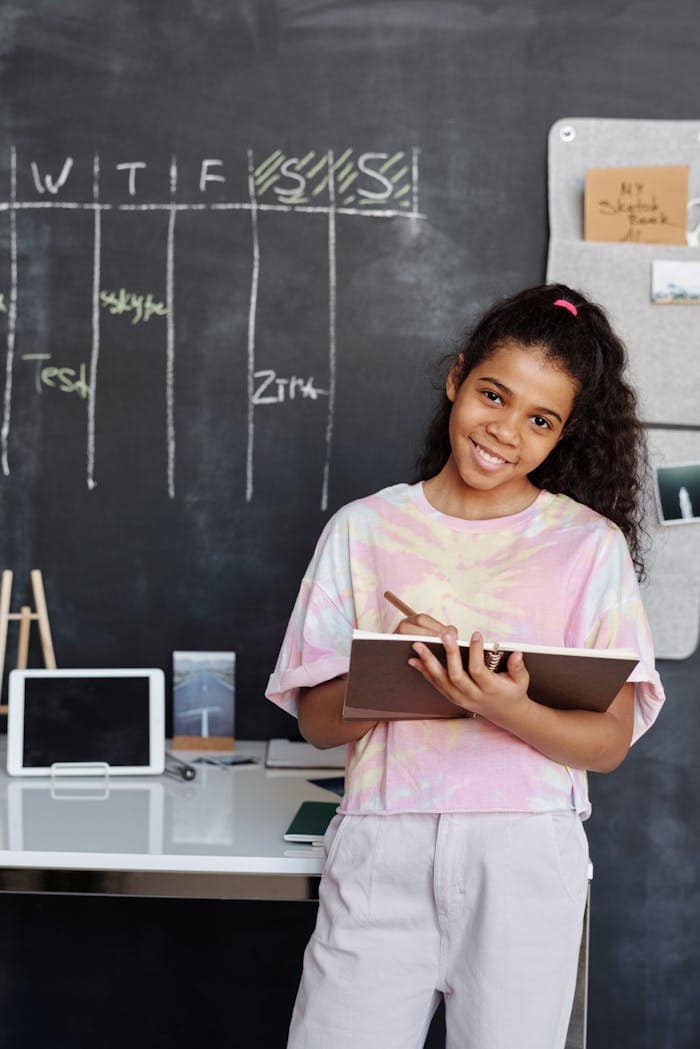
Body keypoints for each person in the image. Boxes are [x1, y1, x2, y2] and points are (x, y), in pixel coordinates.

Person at [266, 283, 665, 1049]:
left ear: (562, 434)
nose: (505, 431)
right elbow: (317, 722)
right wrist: (408, 669)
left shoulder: (589, 548)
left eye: (539, 419)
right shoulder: (364, 529)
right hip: (384, 844)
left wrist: (503, 703)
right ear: (457, 378)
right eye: (494, 394)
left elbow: (609, 743)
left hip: (523, 855)